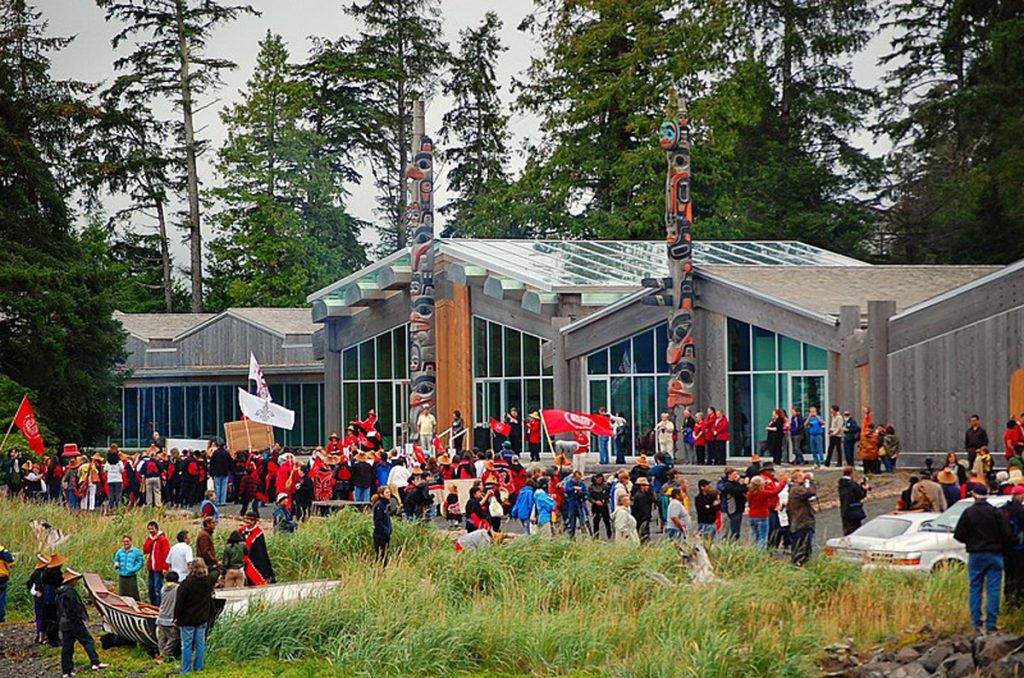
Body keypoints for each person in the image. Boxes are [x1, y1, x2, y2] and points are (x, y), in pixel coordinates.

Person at [954, 484, 1014, 633]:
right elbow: (1007, 534)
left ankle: (976, 623)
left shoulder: (968, 513)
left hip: (976, 554)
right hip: (995, 554)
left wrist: (971, 541)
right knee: (993, 589)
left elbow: (958, 535)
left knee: (975, 588)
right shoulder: (996, 512)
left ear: (974, 495)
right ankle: (991, 623)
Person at [56, 568, 107, 676]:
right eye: (75, 580)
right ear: (71, 581)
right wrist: (77, 618)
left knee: (67, 647)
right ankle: (95, 662)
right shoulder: (69, 592)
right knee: (88, 640)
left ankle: (67, 671)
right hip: (73, 622)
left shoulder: (59, 592)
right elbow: (71, 608)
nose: (76, 581)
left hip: (64, 623)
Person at [174, 559, 220, 674]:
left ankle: (186, 670)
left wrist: (176, 618)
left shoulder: (186, 584)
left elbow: (179, 603)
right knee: (200, 644)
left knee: (187, 645)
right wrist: (212, 566)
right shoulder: (208, 581)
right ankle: (199, 668)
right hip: (202, 617)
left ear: (191, 569)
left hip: (187, 619)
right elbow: (216, 572)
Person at [787, 470, 818, 566]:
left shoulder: (796, 488)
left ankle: (800, 561)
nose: (804, 477)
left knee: (803, 543)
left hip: (801, 520)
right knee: (802, 544)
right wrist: (811, 480)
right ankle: (799, 562)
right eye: (801, 476)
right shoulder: (796, 489)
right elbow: (811, 492)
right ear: (795, 479)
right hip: (801, 521)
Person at [1002, 486, 1024, 608]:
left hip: (1006, 549)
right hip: (1020, 549)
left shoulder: (1003, 510)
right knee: (1020, 577)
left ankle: (1008, 601)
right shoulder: (1021, 511)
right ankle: (1018, 602)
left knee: (1008, 576)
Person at [241, 511, 275, 585]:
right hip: (243, 559)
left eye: (250, 520)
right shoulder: (241, 531)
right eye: (246, 519)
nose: (247, 522)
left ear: (254, 521)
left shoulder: (259, 533)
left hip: (255, 558)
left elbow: (261, 550)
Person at [155, 570, 180, 665]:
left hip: (161, 617)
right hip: (171, 618)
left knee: (162, 639)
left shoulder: (163, 588)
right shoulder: (177, 588)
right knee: (174, 638)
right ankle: (164, 656)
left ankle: (162, 655)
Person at [143, 521, 170, 606]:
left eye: (152, 528)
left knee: (157, 589)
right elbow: (145, 550)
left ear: (156, 529)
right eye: (149, 529)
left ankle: (160, 606)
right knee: (151, 588)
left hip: (159, 568)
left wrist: (165, 567)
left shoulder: (163, 539)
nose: (150, 531)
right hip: (152, 567)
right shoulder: (150, 538)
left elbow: (166, 554)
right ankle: (153, 605)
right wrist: (152, 540)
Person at [718, 468, 747, 540]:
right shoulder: (723, 483)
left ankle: (733, 544)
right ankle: (723, 545)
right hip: (726, 509)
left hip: (738, 509)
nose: (736, 476)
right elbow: (733, 491)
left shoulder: (737, 484)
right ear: (729, 475)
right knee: (725, 530)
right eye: (735, 475)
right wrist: (744, 485)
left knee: (735, 531)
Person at [838, 467, 869, 536]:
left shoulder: (841, 483)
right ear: (851, 474)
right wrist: (864, 489)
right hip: (854, 510)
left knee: (847, 529)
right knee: (855, 530)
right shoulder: (852, 484)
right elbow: (860, 494)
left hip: (844, 509)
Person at [113, 535, 143, 600]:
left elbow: (141, 562)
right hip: (122, 576)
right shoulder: (120, 551)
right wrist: (116, 564)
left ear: (131, 541)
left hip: (131, 576)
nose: (125, 543)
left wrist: (134, 569)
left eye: (127, 541)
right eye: (124, 541)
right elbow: (116, 560)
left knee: (133, 594)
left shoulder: (136, 551)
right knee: (122, 595)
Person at [563, 470, 589, 538]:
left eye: (579, 478)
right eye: (577, 479)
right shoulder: (569, 483)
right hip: (572, 504)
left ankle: (584, 536)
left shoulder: (581, 483)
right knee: (572, 521)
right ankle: (571, 536)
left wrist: (582, 493)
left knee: (582, 521)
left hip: (580, 503)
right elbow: (566, 490)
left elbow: (586, 492)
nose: (578, 480)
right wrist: (573, 488)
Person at [631, 477, 657, 542]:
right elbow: (644, 509)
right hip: (642, 519)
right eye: (646, 485)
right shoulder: (641, 496)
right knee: (644, 536)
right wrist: (647, 517)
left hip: (639, 519)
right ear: (641, 486)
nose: (648, 487)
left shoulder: (638, 495)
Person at [373, 487, 393, 565]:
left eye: (389, 492)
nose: (389, 494)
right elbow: (378, 521)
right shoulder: (379, 505)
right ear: (381, 494)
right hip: (380, 535)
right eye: (387, 493)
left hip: (385, 534)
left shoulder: (385, 505)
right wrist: (385, 530)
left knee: (385, 554)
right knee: (380, 554)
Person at [589, 473, 612, 539]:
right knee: (596, 522)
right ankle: (596, 537)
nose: (600, 480)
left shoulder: (605, 486)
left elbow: (608, 495)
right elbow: (589, 497)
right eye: (598, 479)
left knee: (607, 522)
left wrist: (605, 500)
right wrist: (595, 502)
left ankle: (609, 536)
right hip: (595, 506)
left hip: (604, 506)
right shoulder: (591, 487)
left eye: (601, 479)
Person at [0, 540, 12, 623]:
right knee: (1, 598)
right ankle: (0, 617)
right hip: (2, 577)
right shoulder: (2, 551)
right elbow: (11, 561)